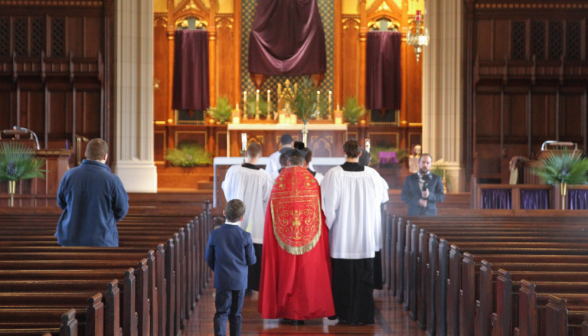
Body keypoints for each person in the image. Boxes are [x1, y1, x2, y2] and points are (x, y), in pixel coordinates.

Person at [258, 148, 335, 325]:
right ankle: (307, 309)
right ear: (304, 163)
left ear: (287, 163)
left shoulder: (278, 181)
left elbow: (270, 213)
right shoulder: (313, 181)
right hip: (309, 239)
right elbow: (321, 212)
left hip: (283, 239)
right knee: (306, 272)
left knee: (286, 270)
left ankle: (286, 310)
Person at [321, 140, 389, 326]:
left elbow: (328, 206)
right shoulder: (373, 175)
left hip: (342, 236)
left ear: (343, 152)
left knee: (342, 277)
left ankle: (344, 315)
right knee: (364, 277)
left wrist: (330, 226)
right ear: (360, 153)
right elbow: (383, 197)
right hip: (365, 236)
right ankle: (363, 316)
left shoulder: (333, 174)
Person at [55, 138, 128, 247]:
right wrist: (105, 218)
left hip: (70, 239)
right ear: (105, 156)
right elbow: (122, 209)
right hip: (102, 240)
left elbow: (61, 202)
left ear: (85, 154)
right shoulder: (112, 180)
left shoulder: (69, 175)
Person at [221, 142, 272, 292]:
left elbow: (226, 189)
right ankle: (252, 285)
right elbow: (267, 199)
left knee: (235, 250)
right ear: (260, 156)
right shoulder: (264, 175)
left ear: (246, 154)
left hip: (235, 219)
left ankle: (236, 283)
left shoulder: (234, 171)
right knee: (253, 250)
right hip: (256, 221)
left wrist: (234, 204)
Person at [206, 199, 257, 336]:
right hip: (239, 281)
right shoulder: (246, 236)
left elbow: (209, 258)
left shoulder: (215, 234)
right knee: (236, 314)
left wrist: (218, 270)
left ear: (224, 213)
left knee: (221, 312)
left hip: (222, 279)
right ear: (242, 218)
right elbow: (252, 260)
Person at [357, 148, 387, 290]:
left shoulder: (341, 173)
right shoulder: (375, 175)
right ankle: (368, 288)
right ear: (369, 162)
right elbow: (384, 199)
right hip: (370, 223)